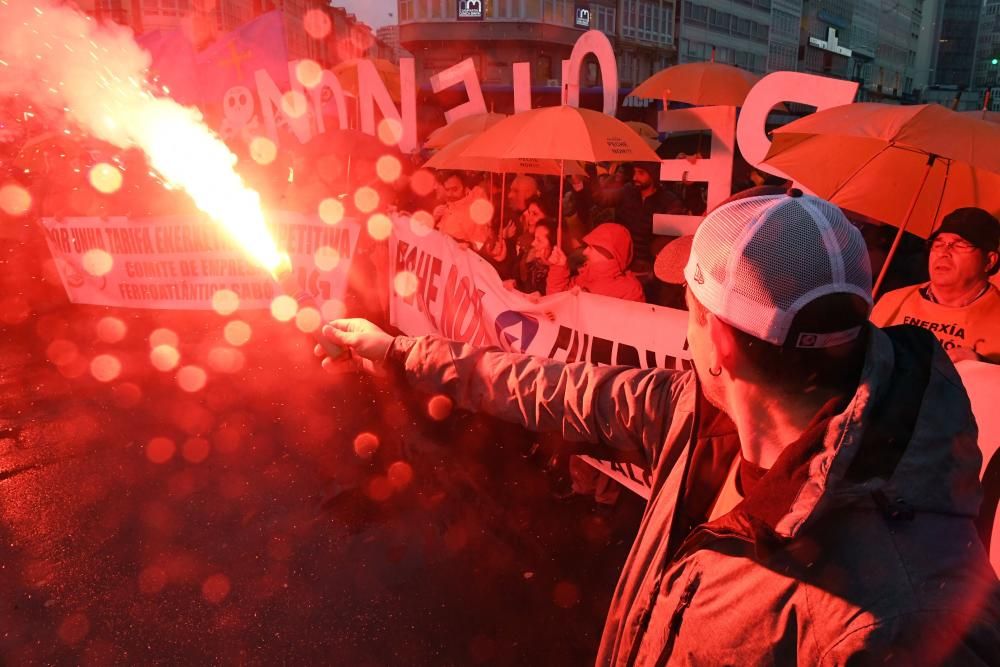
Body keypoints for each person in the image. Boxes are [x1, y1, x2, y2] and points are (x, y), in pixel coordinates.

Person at [317, 190, 1000, 664]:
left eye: (691, 302)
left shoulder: (900, 615)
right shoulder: (695, 411)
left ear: (719, 343)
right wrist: (396, 350)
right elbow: (545, 387)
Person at [871, 207, 1000, 364]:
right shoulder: (893, 301)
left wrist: (982, 366)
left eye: (960, 245)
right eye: (938, 244)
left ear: (989, 260)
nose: (944, 252)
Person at [546, 222, 644, 303]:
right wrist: (558, 268)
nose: (585, 252)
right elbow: (555, 302)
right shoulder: (583, 277)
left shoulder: (631, 290)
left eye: (591, 247)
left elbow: (632, 324)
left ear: (608, 251)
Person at [614, 162, 685, 272]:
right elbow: (602, 198)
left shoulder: (668, 200)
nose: (635, 177)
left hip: (651, 265)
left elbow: (673, 233)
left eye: (641, 173)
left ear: (653, 175)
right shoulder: (629, 191)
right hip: (624, 259)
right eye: (634, 172)